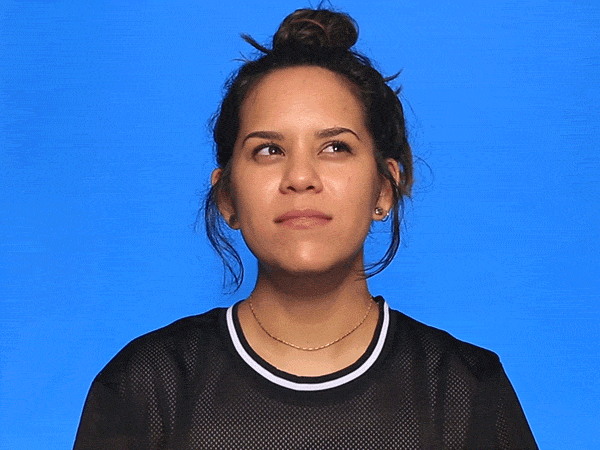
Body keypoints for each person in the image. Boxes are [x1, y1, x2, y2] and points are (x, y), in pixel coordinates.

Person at [73, 8, 538, 449]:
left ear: (384, 189)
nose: (300, 177)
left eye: (335, 147)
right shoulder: (146, 385)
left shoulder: (465, 389)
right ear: (227, 197)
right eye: (269, 150)